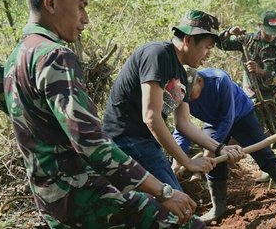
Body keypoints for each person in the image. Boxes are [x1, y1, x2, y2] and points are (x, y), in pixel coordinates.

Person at [3, 0, 201, 227]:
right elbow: (91, 142)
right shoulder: (54, 57)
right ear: (51, 4)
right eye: (81, 6)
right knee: (184, 221)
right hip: (84, 194)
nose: (85, 18)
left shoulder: (16, 58)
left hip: (50, 201)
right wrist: (163, 191)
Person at [102, 10, 245, 194]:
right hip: (126, 141)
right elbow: (151, 117)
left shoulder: (182, 76)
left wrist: (220, 148)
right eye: (207, 47)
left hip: (146, 142)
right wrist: (187, 162)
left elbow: (183, 123)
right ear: (188, 40)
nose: (208, 54)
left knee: (163, 206)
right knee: (176, 205)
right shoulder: (158, 55)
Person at [173, 67, 276, 223]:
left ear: (200, 81)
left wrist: (211, 150)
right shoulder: (182, 93)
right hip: (213, 122)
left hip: (240, 114)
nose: (187, 99)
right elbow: (181, 128)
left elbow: (228, 118)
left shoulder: (219, 80)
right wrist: (176, 159)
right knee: (214, 164)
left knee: (263, 152)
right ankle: (218, 207)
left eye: (190, 93)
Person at [217, 11, 276, 181]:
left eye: (275, 31)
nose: (271, 35)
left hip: (271, 95)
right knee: (255, 131)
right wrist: (230, 32)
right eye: (268, 30)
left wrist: (261, 72)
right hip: (251, 95)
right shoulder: (247, 40)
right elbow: (220, 44)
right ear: (261, 26)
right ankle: (266, 168)